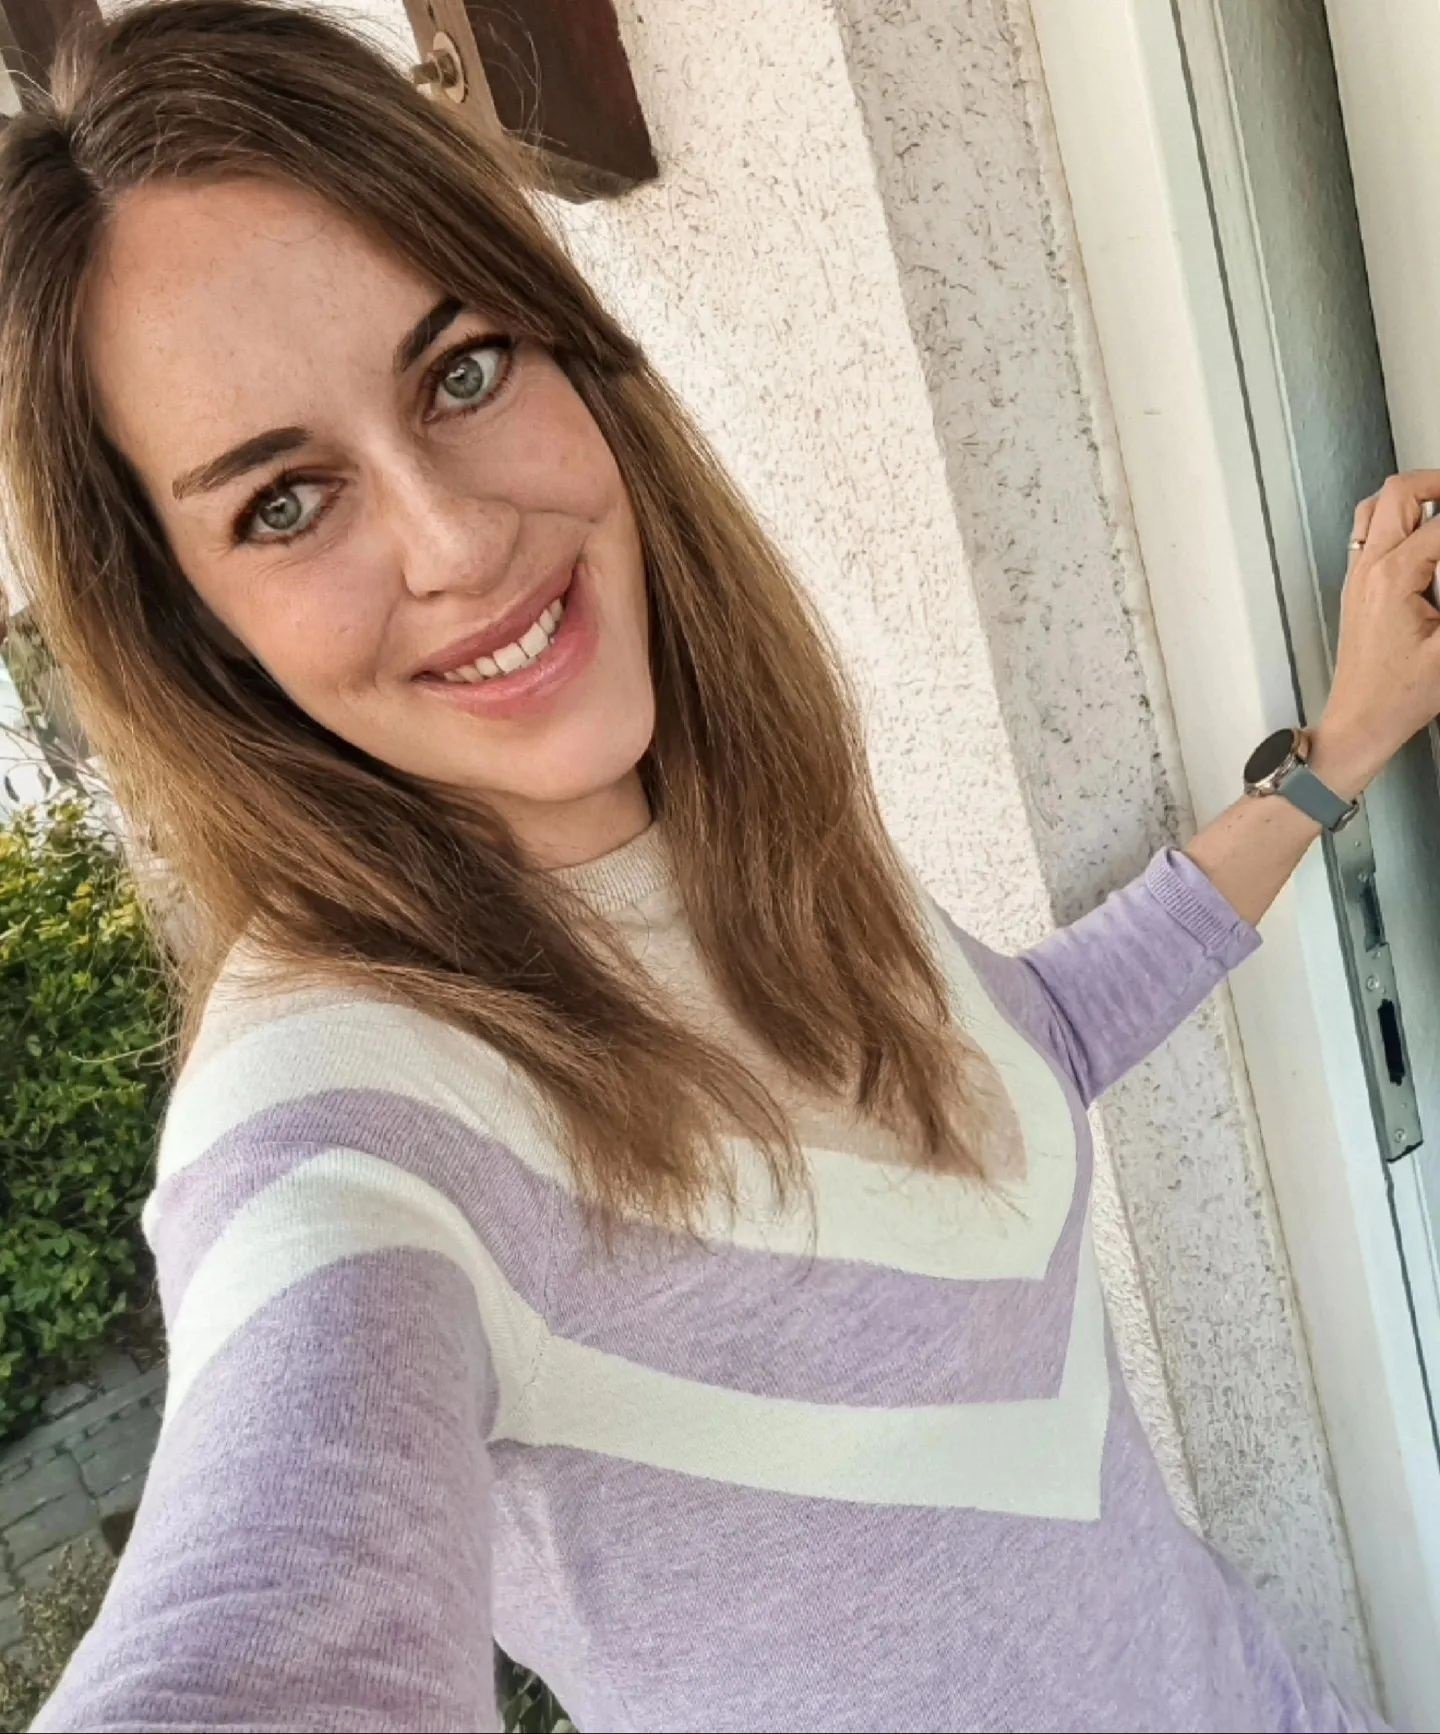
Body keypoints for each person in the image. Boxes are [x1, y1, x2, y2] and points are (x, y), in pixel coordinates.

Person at [1, 3, 1431, 1729]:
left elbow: (1020, 1050)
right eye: (284, 504)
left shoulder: (727, 819)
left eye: (462, 370)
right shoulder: (347, 1123)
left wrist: (1341, 749)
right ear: (190, 622)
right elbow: (262, 1616)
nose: (456, 541)